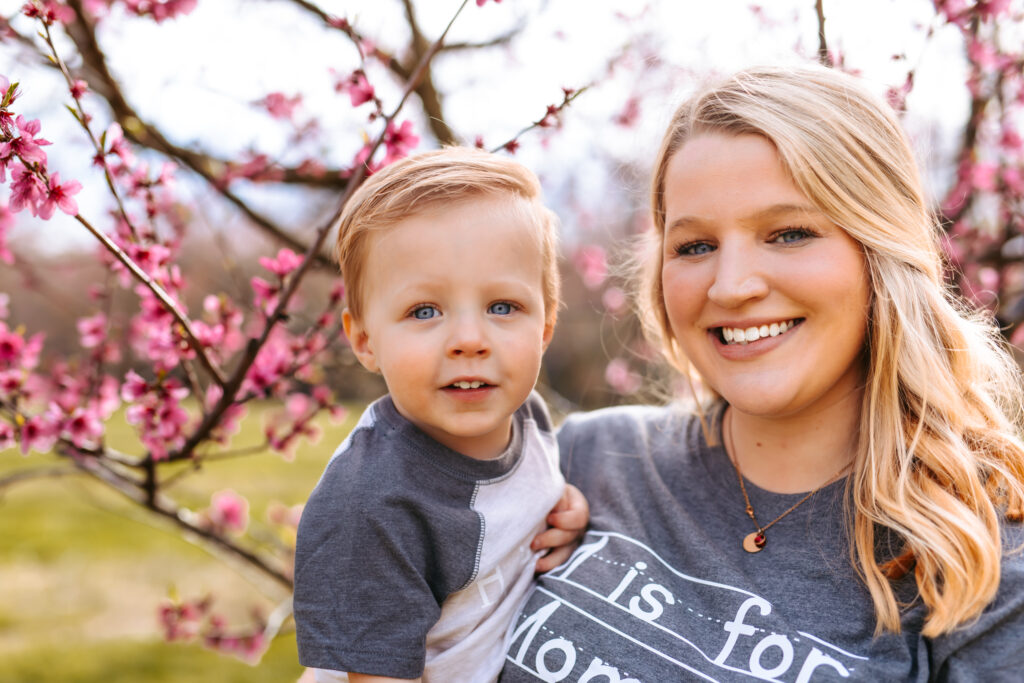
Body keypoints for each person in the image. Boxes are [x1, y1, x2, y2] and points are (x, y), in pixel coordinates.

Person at [500, 65, 1024, 682]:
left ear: (881, 251)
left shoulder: (980, 558)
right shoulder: (582, 461)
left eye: (789, 234)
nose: (732, 286)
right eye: (695, 246)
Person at [294, 147, 586, 683]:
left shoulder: (527, 417)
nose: (470, 340)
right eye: (424, 311)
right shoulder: (373, 505)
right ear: (364, 340)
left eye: (503, 307)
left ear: (544, 327)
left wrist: (563, 509)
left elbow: (519, 501)